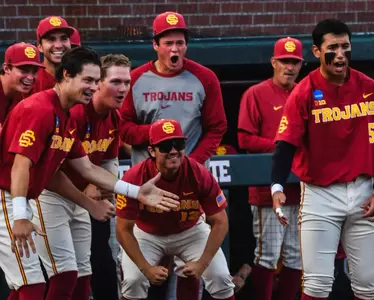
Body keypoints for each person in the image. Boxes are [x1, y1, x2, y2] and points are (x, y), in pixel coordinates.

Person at [0, 46, 179, 300]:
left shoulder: (66, 115)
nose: (94, 87)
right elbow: (21, 165)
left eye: (96, 81)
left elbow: (84, 168)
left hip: (28, 197)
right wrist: (19, 215)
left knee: (56, 280)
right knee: (33, 286)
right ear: (65, 76)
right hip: (8, 196)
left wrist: (135, 191)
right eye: (88, 80)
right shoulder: (40, 109)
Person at [270, 19, 374, 300]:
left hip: (364, 189)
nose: (340, 54)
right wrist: (277, 187)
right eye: (333, 48)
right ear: (316, 52)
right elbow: (285, 144)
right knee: (317, 285)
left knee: (369, 284)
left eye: (345, 47)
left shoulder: (370, 87)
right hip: (320, 194)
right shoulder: (304, 91)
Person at [119, 11, 227, 298]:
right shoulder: (136, 79)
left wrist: (196, 160)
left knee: (191, 262)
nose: (175, 49)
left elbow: (217, 126)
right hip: (145, 181)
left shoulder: (204, 77)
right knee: (148, 262)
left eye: (180, 42)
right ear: (155, 45)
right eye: (168, 43)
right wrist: (156, 135)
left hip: (189, 178)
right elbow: (123, 128)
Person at [30, 53, 132, 300]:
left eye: (127, 82)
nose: (123, 89)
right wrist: (89, 191)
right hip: (48, 195)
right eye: (115, 82)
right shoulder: (72, 112)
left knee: (86, 273)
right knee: (55, 277)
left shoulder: (113, 116)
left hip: (83, 201)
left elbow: (107, 159)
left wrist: (103, 186)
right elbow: (51, 170)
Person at [116, 119, 235, 300]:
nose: (173, 151)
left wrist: (202, 263)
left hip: (190, 230)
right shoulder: (135, 176)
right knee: (134, 281)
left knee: (220, 278)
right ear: (151, 151)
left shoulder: (198, 172)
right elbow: (123, 229)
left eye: (178, 144)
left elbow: (221, 221)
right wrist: (146, 268)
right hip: (147, 233)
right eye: (164, 146)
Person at [238, 36, 303, 300]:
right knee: (267, 255)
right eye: (284, 61)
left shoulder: (305, 91)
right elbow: (244, 139)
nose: (289, 67)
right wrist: (282, 145)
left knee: (297, 257)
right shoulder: (256, 93)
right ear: (273, 62)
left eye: (295, 62)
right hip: (268, 190)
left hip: (301, 188)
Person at [0, 42, 44, 125]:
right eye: (24, 71)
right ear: (6, 69)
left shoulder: (31, 93)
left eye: (35, 71)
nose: (30, 77)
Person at [34, 16, 74, 92]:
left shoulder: (79, 76)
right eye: (51, 39)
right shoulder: (32, 79)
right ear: (40, 46)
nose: (58, 45)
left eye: (63, 38)